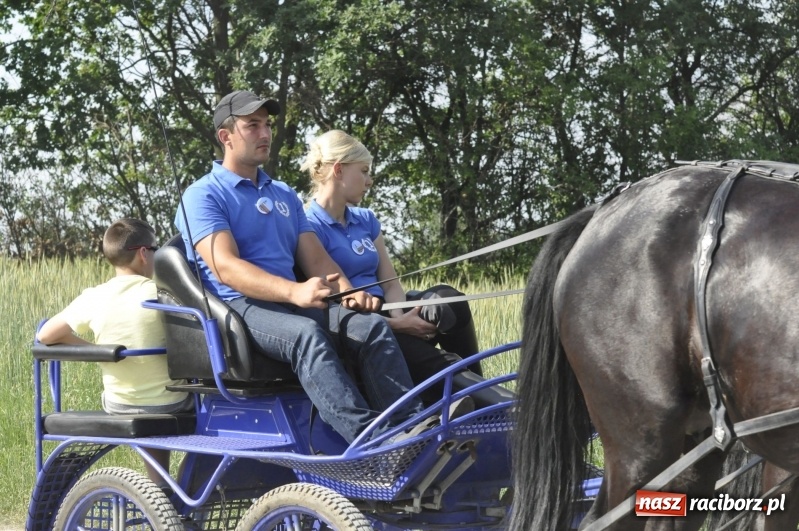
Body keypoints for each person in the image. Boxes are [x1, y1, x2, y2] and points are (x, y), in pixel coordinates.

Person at [174, 90, 442, 445]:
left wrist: (349, 293)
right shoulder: (203, 194)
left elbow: (316, 261)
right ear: (226, 137)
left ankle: (409, 432)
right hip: (239, 308)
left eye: (267, 124)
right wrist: (295, 291)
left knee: (372, 328)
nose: (265, 133)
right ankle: (370, 441)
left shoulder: (283, 194)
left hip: (288, 303)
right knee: (307, 336)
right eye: (252, 126)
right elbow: (226, 267)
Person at [301, 130, 515, 407]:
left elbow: (390, 283)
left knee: (450, 301)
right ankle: (502, 408)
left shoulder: (366, 220)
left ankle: (474, 388)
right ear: (339, 170)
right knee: (442, 362)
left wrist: (403, 318)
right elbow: (333, 307)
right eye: (364, 172)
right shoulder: (309, 227)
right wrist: (398, 326)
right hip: (361, 321)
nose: (370, 181)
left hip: (392, 308)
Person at [36, 218, 192, 485]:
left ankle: (160, 489)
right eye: (155, 250)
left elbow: (46, 335)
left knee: (147, 398)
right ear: (144, 253)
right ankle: (180, 486)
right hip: (172, 403)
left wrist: (96, 350)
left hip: (119, 404)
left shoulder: (95, 296)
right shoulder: (161, 292)